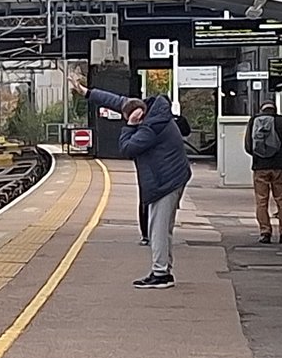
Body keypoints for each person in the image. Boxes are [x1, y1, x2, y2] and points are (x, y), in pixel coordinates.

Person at [71, 78, 192, 289]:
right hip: (171, 176)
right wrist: (87, 92)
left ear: (138, 116)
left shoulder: (150, 129)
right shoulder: (152, 109)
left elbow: (126, 149)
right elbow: (117, 101)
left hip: (166, 180)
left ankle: (161, 273)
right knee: (161, 227)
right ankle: (163, 268)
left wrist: (129, 126)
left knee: (158, 228)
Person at [244, 101, 282, 243]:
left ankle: (265, 232)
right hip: (279, 166)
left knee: (261, 201)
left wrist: (259, 156)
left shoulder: (254, 121)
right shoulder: (281, 121)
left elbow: (248, 146)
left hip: (260, 167)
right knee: (281, 199)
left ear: (261, 109)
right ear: (274, 109)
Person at [138, 112, 190, 245]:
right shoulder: (175, 121)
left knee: (146, 202)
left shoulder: (150, 123)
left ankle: (146, 236)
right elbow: (186, 132)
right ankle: (160, 241)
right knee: (167, 209)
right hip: (173, 170)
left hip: (153, 169)